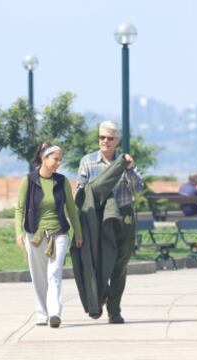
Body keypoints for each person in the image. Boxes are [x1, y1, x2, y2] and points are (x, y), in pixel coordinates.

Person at [75, 121, 143, 324]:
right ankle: (99, 297)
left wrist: (129, 169)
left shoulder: (125, 161)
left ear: (117, 141)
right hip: (97, 217)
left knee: (120, 265)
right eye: (102, 137)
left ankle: (114, 310)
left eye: (110, 138)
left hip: (123, 215)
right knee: (98, 259)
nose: (105, 141)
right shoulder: (88, 161)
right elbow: (80, 190)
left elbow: (138, 190)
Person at [14, 143, 83, 328]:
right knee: (38, 275)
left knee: (54, 273)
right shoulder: (28, 181)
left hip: (58, 233)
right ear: (45, 158)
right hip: (34, 235)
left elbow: (71, 209)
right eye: (55, 159)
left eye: (60, 160)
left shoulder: (62, 181)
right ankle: (41, 314)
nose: (58, 163)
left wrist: (78, 232)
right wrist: (19, 232)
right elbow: (20, 209)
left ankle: (55, 313)